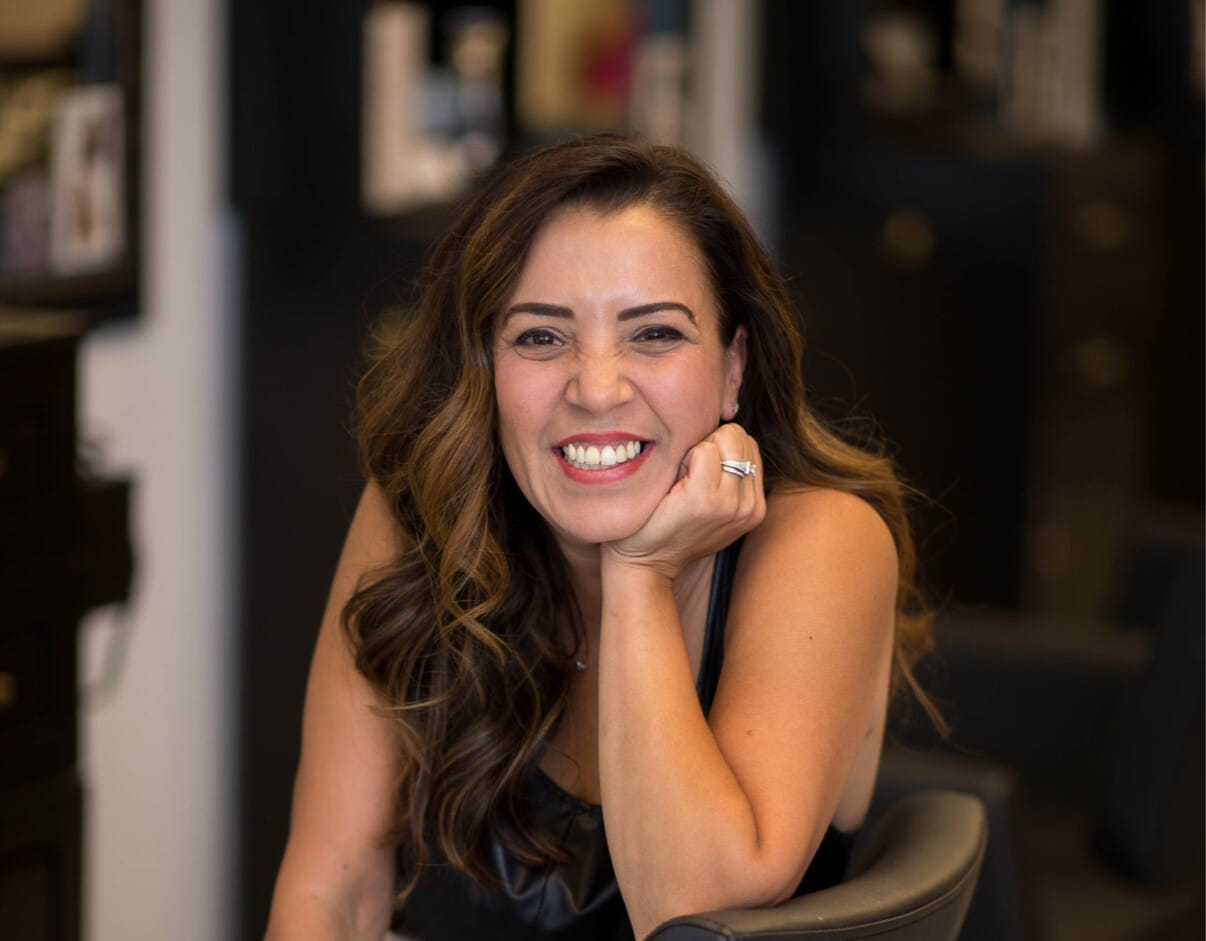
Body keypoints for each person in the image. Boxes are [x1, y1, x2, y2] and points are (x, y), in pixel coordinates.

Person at [265, 134, 938, 941]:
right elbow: (331, 893)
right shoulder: (416, 515)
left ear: (733, 368)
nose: (596, 387)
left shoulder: (823, 544)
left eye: (654, 334)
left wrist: (639, 573)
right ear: (483, 367)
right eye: (541, 337)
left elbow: (691, 911)